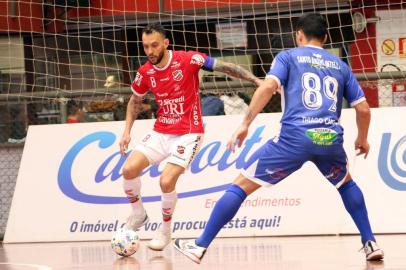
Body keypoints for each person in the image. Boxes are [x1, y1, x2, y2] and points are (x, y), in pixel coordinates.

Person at [174, 13, 384, 263]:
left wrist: (245, 123)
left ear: (299, 34)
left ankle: (200, 245)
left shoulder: (287, 57)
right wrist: (362, 139)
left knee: (240, 186)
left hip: (293, 139)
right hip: (329, 138)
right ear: (326, 38)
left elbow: (267, 87)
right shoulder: (341, 65)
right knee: (346, 183)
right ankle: (370, 242)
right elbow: (363, 109)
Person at [119, 23, 261, 251]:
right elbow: (134, 101)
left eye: (154, 45)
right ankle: (138, 214)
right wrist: (127, 131)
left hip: (189, 132)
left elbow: (225, 67)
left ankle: (165, 230)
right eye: (146, 46)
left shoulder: (188, 59)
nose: (150, 51)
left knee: (165, 181)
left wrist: (255, 80)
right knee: (128, 169)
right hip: (161, 131)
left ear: (165, 43)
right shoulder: (145, 71)